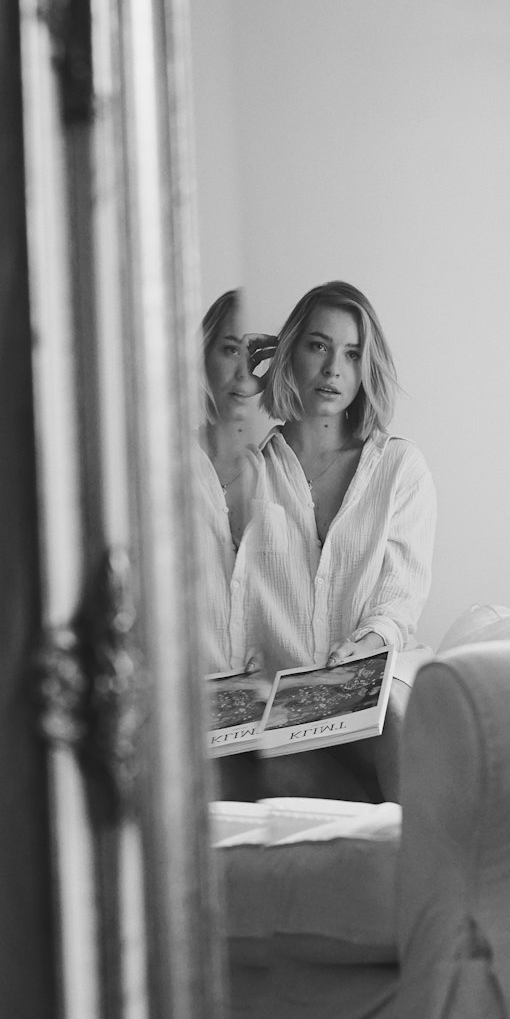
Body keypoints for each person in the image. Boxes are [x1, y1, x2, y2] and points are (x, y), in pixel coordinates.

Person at [249, 279, 437, 802]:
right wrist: (237, 392)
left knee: (393, 700)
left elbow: (399, 604)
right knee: (269, 764)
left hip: (378, 672)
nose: (334, 368)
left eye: (352, 354)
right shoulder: (247, 471)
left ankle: (416, 860)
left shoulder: (400, 468)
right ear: (289, 354)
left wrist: (365, 645)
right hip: (289, 700)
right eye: (318, 346)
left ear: (365, 370)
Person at [194, 289, 277, 799]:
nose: (245, 373)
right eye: (230, 350)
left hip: (264, 718)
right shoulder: (159, 467)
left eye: (260, 355)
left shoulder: (283, 477)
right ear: (201, 356)